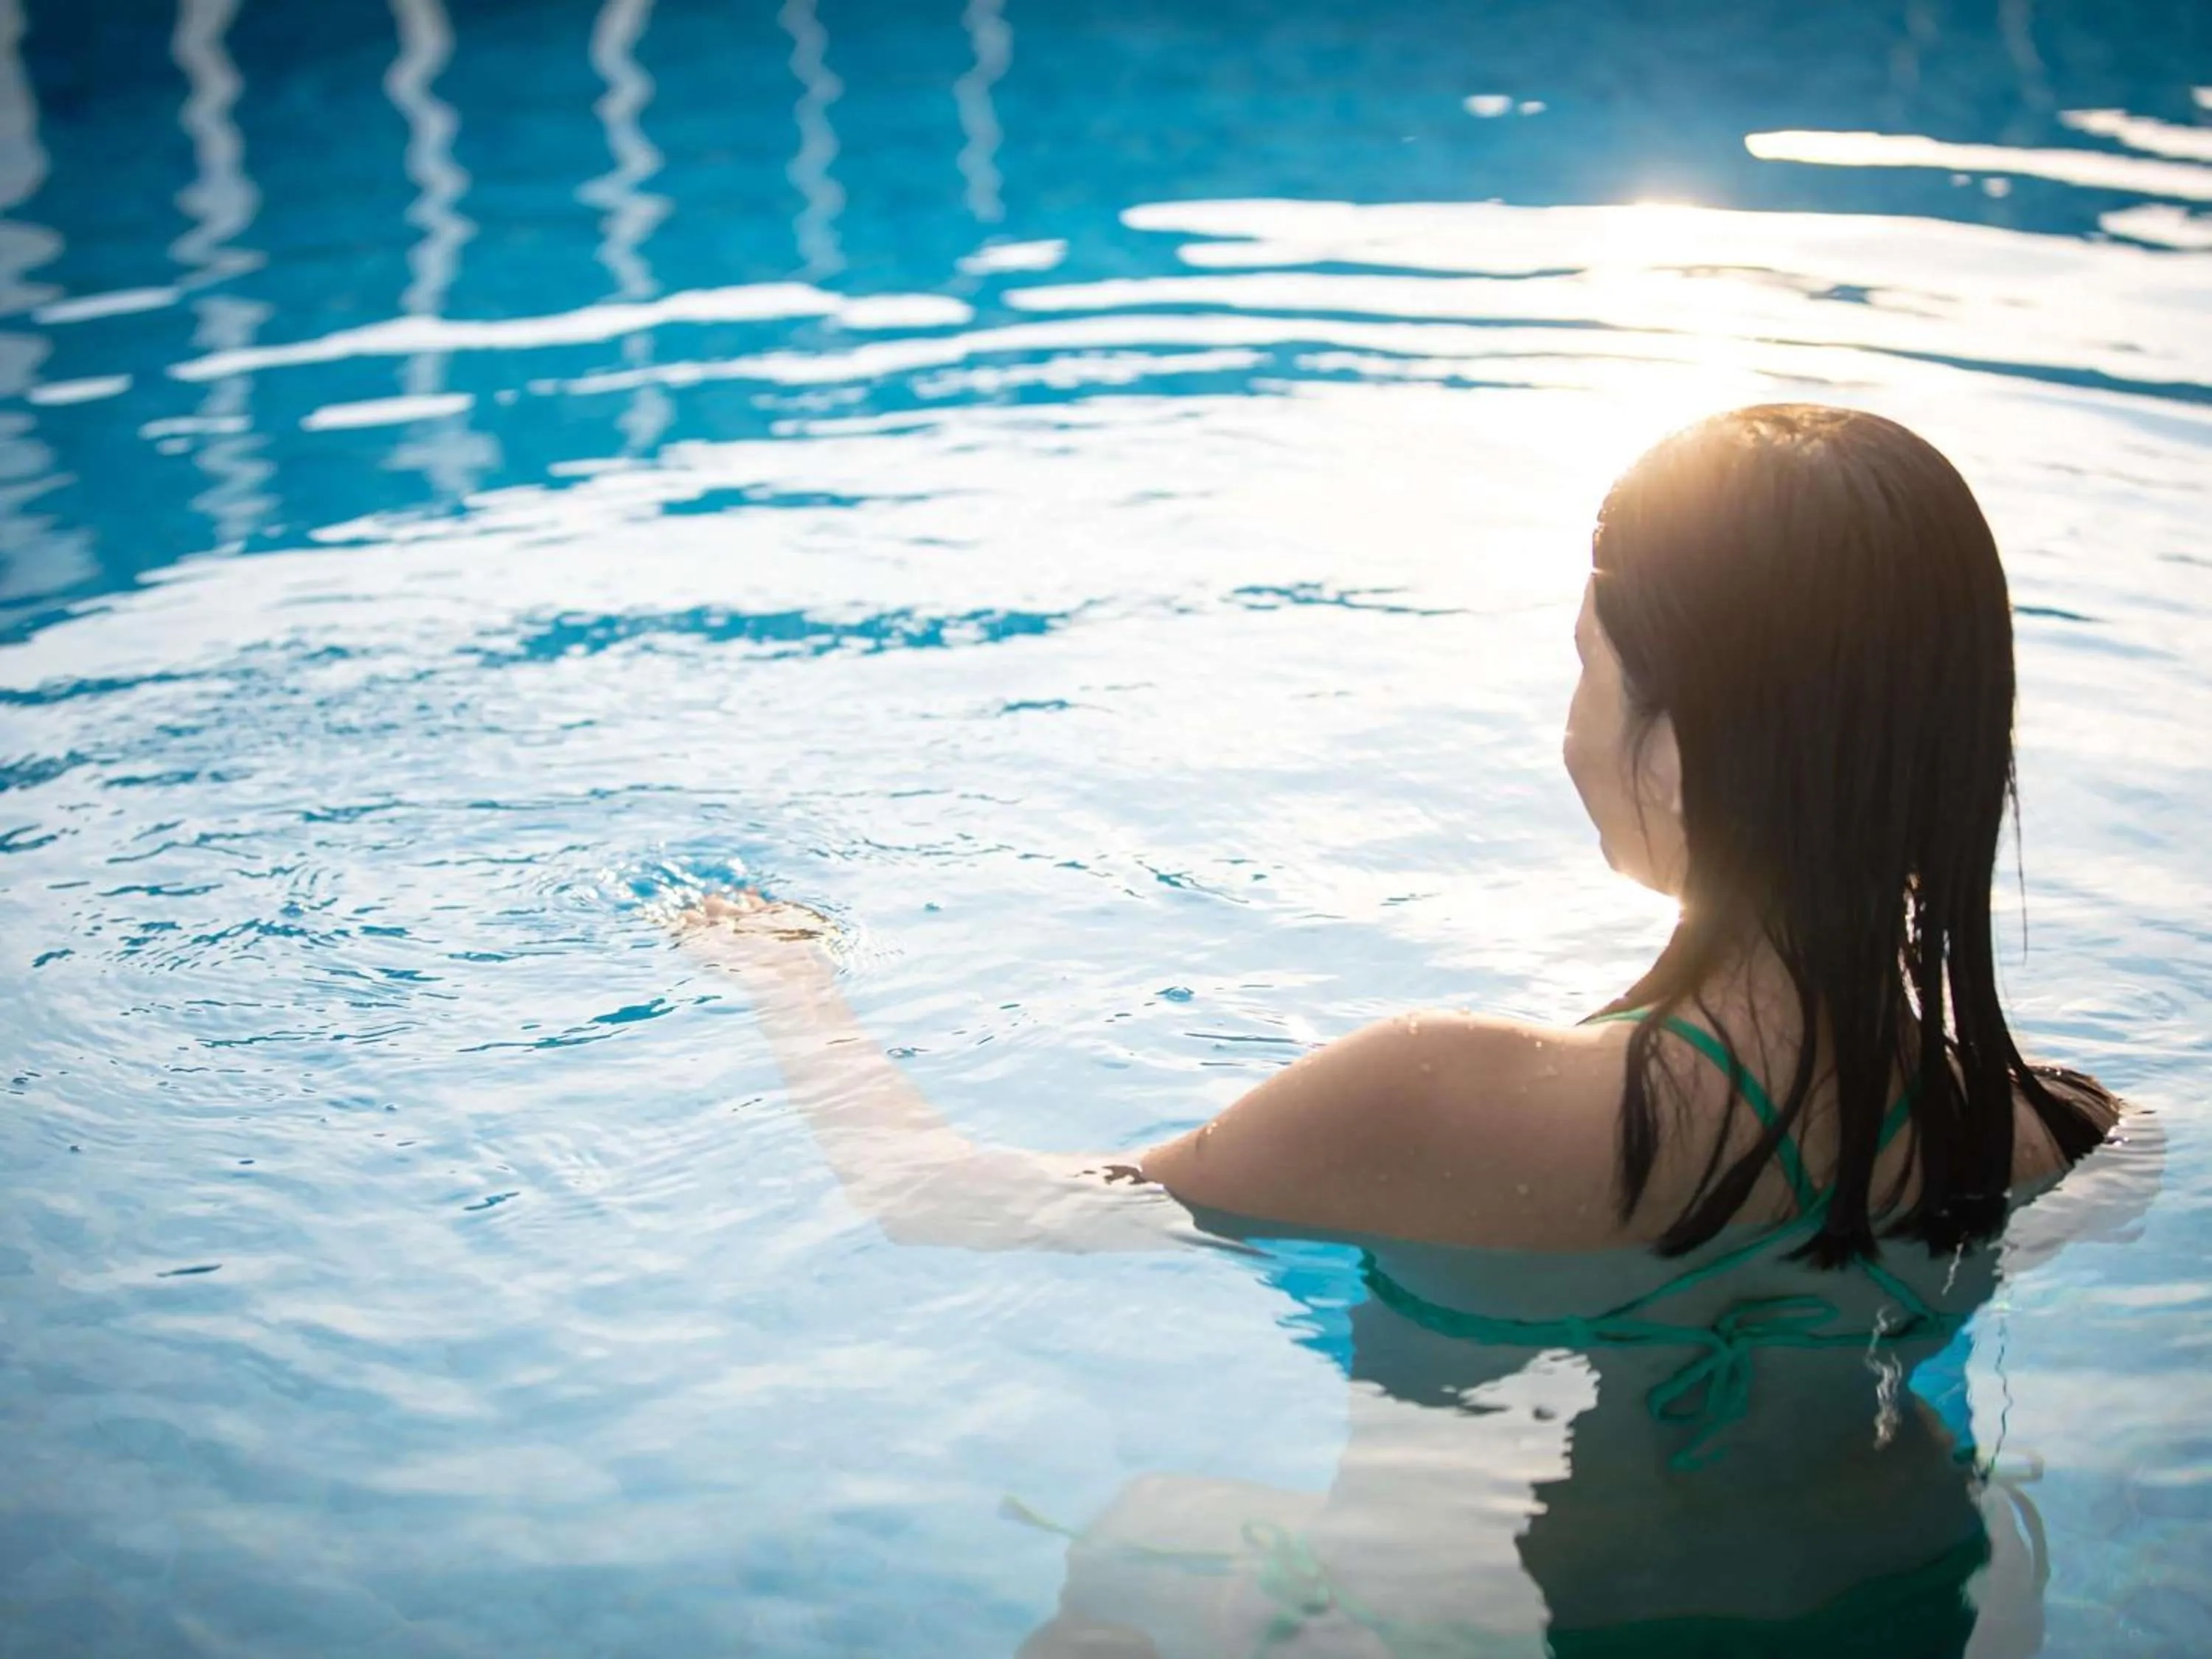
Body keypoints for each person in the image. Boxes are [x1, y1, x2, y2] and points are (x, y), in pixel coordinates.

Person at [680, 405, 2144, 1655]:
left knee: (1137, 1574)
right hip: (1907, 1606)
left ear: (1678, 751)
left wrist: (784, 976)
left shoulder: (1444, 1103)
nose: (1569, 725)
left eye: (1587, 664)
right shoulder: (2061, 1134)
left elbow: (935, 1200)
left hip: (1498, 1623)